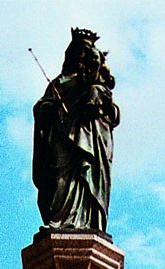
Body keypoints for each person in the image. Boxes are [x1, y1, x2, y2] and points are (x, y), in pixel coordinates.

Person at [33, 28, 120, 234]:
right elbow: (41, 107)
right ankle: (60, 220)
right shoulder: (59, 83)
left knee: (88, 179)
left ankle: (88, 221)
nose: (81, 56)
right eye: (78, 50)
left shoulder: (96, 84)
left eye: (85, 51)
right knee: (60, 178)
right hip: (63, 139)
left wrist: (99, 105)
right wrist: (53, 109)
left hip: (93, 142)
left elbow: (113, 115)